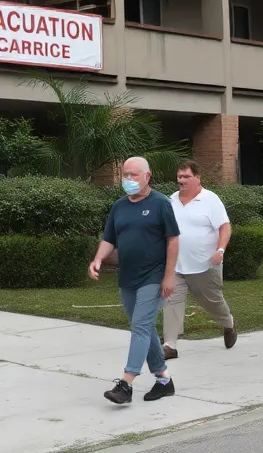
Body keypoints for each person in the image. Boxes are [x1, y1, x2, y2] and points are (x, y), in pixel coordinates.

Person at [89, 156, 180, 405]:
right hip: (127, 277)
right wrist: (98, 259)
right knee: (145, 327)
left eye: (134, 175)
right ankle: (164, 380)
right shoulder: (119, 206)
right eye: (125, 175)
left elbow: (173, 240)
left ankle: (126, 383)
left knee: (140, 326)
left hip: (154, 275)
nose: (128, 179)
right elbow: (109, 238)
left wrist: (169, 276)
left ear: (147, 177)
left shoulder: (161, 203)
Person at [161, 161, 237, 360]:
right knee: (171, 300)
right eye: (179, 177)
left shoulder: (210, 199)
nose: (181, 180)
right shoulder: (171, 200)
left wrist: (220, 249)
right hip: (176, 264)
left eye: (186, 176)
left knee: (211, 302)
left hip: (205, 265)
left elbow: (225, 227)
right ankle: (170, 345)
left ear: (197, 178)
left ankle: (228, 323)